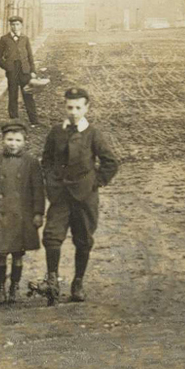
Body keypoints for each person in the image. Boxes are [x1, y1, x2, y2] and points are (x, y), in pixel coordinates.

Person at [40, 87, 120, 305]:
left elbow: (110, 162)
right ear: (64, 107)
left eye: (78, 107)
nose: (73, 112)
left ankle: (78, 282)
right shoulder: (56, 132)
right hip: (60, 196)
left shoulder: (93, 134)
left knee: (83, 239)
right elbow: (46, 159)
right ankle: (52, 281)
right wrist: (51, 179)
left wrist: (95, 182)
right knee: (52, 237)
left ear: (86, 108)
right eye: (69, 107)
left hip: (85, 197)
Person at [0, 120, 45, 306]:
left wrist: (38, 212)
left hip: (22, 216)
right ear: (2, 139)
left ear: (24, 141)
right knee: (0, 254)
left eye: (17, 140)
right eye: (9, 139)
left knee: (18, 253)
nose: (13, 144)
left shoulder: (31, 163)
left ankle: (14, 287)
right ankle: (0, 288)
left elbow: (38, 190)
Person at [0, 16, 38, 125]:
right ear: (10, 26)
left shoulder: (25, 38)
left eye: (17, 24)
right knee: (13, 95)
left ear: (21, 26)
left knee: (28, 94)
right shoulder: (4, 39)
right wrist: (7, 67)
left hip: (25, 70)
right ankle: (14, 119)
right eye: (13, 24)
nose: (15, 27)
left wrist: (33, 71)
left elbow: (30, 56)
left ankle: (34, 120)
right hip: (12, 70)